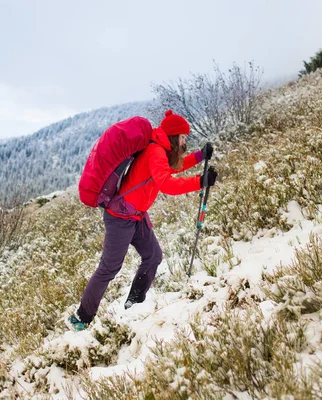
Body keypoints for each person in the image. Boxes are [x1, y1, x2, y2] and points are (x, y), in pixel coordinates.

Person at [69, 110, 217, 331]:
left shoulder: (161, 149)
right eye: (183, 137)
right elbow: (166, 184)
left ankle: (134, 304)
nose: (185, 141)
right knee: (109, 268)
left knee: (153, 256)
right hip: (120, 218)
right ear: (175, 136)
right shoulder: (156, 151)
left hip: (136, 215)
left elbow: (174, 166)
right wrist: (200, 181)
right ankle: (82, 317)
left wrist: (200, 156)